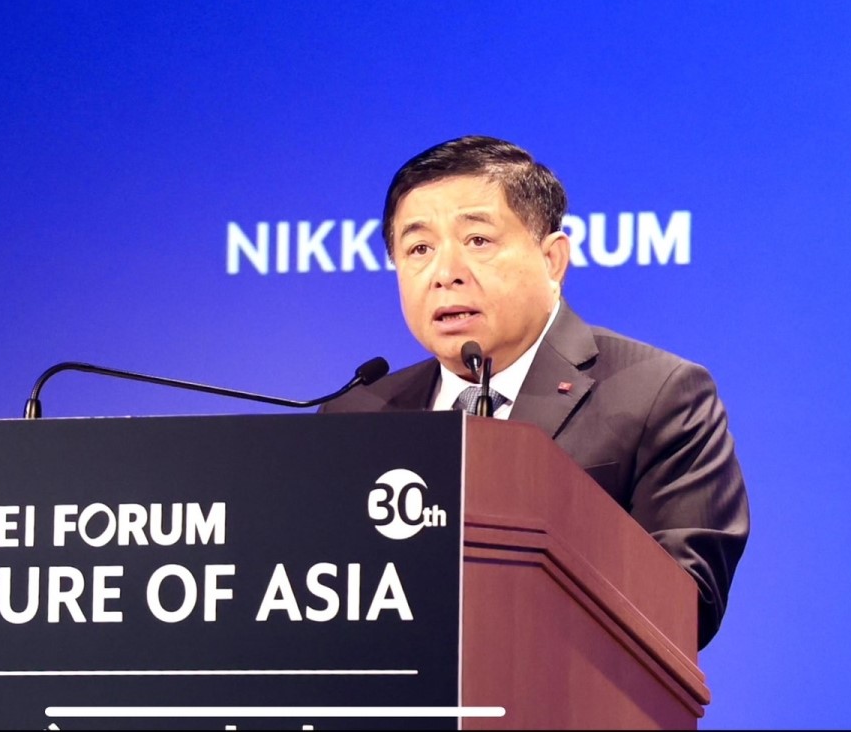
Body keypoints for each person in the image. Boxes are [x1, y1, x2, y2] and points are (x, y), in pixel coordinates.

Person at [319, 135, 749, 649]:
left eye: (478, 240)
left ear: (552, 259)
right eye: (419, 249)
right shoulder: (355, 415)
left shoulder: (658, 393)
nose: (445, 274)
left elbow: (686, 605)